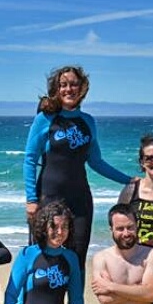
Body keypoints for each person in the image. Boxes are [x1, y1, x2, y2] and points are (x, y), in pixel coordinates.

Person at [23, 65, 133, 277]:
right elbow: (29, 159)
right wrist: (31, 199)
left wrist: (128, 180)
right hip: (48, 199)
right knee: (44, 260)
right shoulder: (45, 119)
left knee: (76, 262)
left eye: (73, 84)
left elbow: (96, 162)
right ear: (56, 88)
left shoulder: (88, 121)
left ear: (82, 88)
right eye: (63, 85)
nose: (68, 89)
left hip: (80, 201)